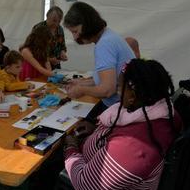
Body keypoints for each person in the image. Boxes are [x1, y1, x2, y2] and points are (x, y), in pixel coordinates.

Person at [63, 59, 182, 190]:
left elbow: (83, 184)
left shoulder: (134, 148)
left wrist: (71, 147)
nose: (117, 92)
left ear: (133, 96)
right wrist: (96, 129)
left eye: (119, 87)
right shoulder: (159, 111)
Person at [63, 1, 135, 120]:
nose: (75, 37)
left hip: (118, 108)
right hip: (118, 105)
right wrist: (81, 83)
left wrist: (81, 90)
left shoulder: (104, 45)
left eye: (75, 31)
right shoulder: (108, 36)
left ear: (87, 24)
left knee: (78, 127)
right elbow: (109, 79)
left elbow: (108, 90)